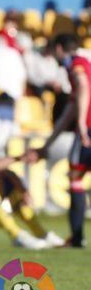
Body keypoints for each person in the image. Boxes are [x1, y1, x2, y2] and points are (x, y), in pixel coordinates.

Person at [30, 34, 91, 248]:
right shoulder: (81, 64)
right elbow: (69, 112)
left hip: (89, 129)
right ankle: (76, 238)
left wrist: (82, 123)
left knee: (75, 177)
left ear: (58, 48)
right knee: (75, 176)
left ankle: (77, 238)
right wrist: (47, 144)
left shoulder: (76, 64)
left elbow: (83, 86)